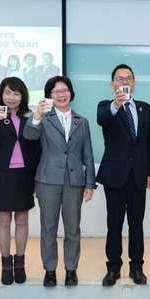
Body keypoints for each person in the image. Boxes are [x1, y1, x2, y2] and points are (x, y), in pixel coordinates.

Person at [23, 76, 96, 287]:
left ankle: (71, 269)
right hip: (48, 180)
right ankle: (50, 270)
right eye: (56, 91)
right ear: (49, 96)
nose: (61, 94)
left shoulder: (82, 121)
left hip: (74, 180)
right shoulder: (43, 119)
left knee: (73, 228)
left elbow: (88, 154)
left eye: (65, 90)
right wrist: (37, 115)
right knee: (48, 228)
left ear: (71, 93)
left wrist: (89, 183)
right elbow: (29, 136)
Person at [96, 64, 150, 286]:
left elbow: (148, 142)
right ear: (112, 84)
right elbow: (102, 120)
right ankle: (113, 268)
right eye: (120, 79)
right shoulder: (106, 106)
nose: (125, 82)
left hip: (138, 175)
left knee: (136, 223)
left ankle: (137, 267)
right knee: (114, 224)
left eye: (129, 78)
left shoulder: (144, 108)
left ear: (134, 83)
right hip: (115, 176)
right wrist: (116, 104)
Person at [0, 77, 41, 285]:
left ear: (23, 95)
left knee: (22, 220)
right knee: (4, 221)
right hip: (3, 173)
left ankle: (20, 262)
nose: (12, 97)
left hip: (25, 173)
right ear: (1, 95)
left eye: (16, 93)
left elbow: (38, 146)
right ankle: (6, 264)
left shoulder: (31, 117)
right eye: (7, 93)